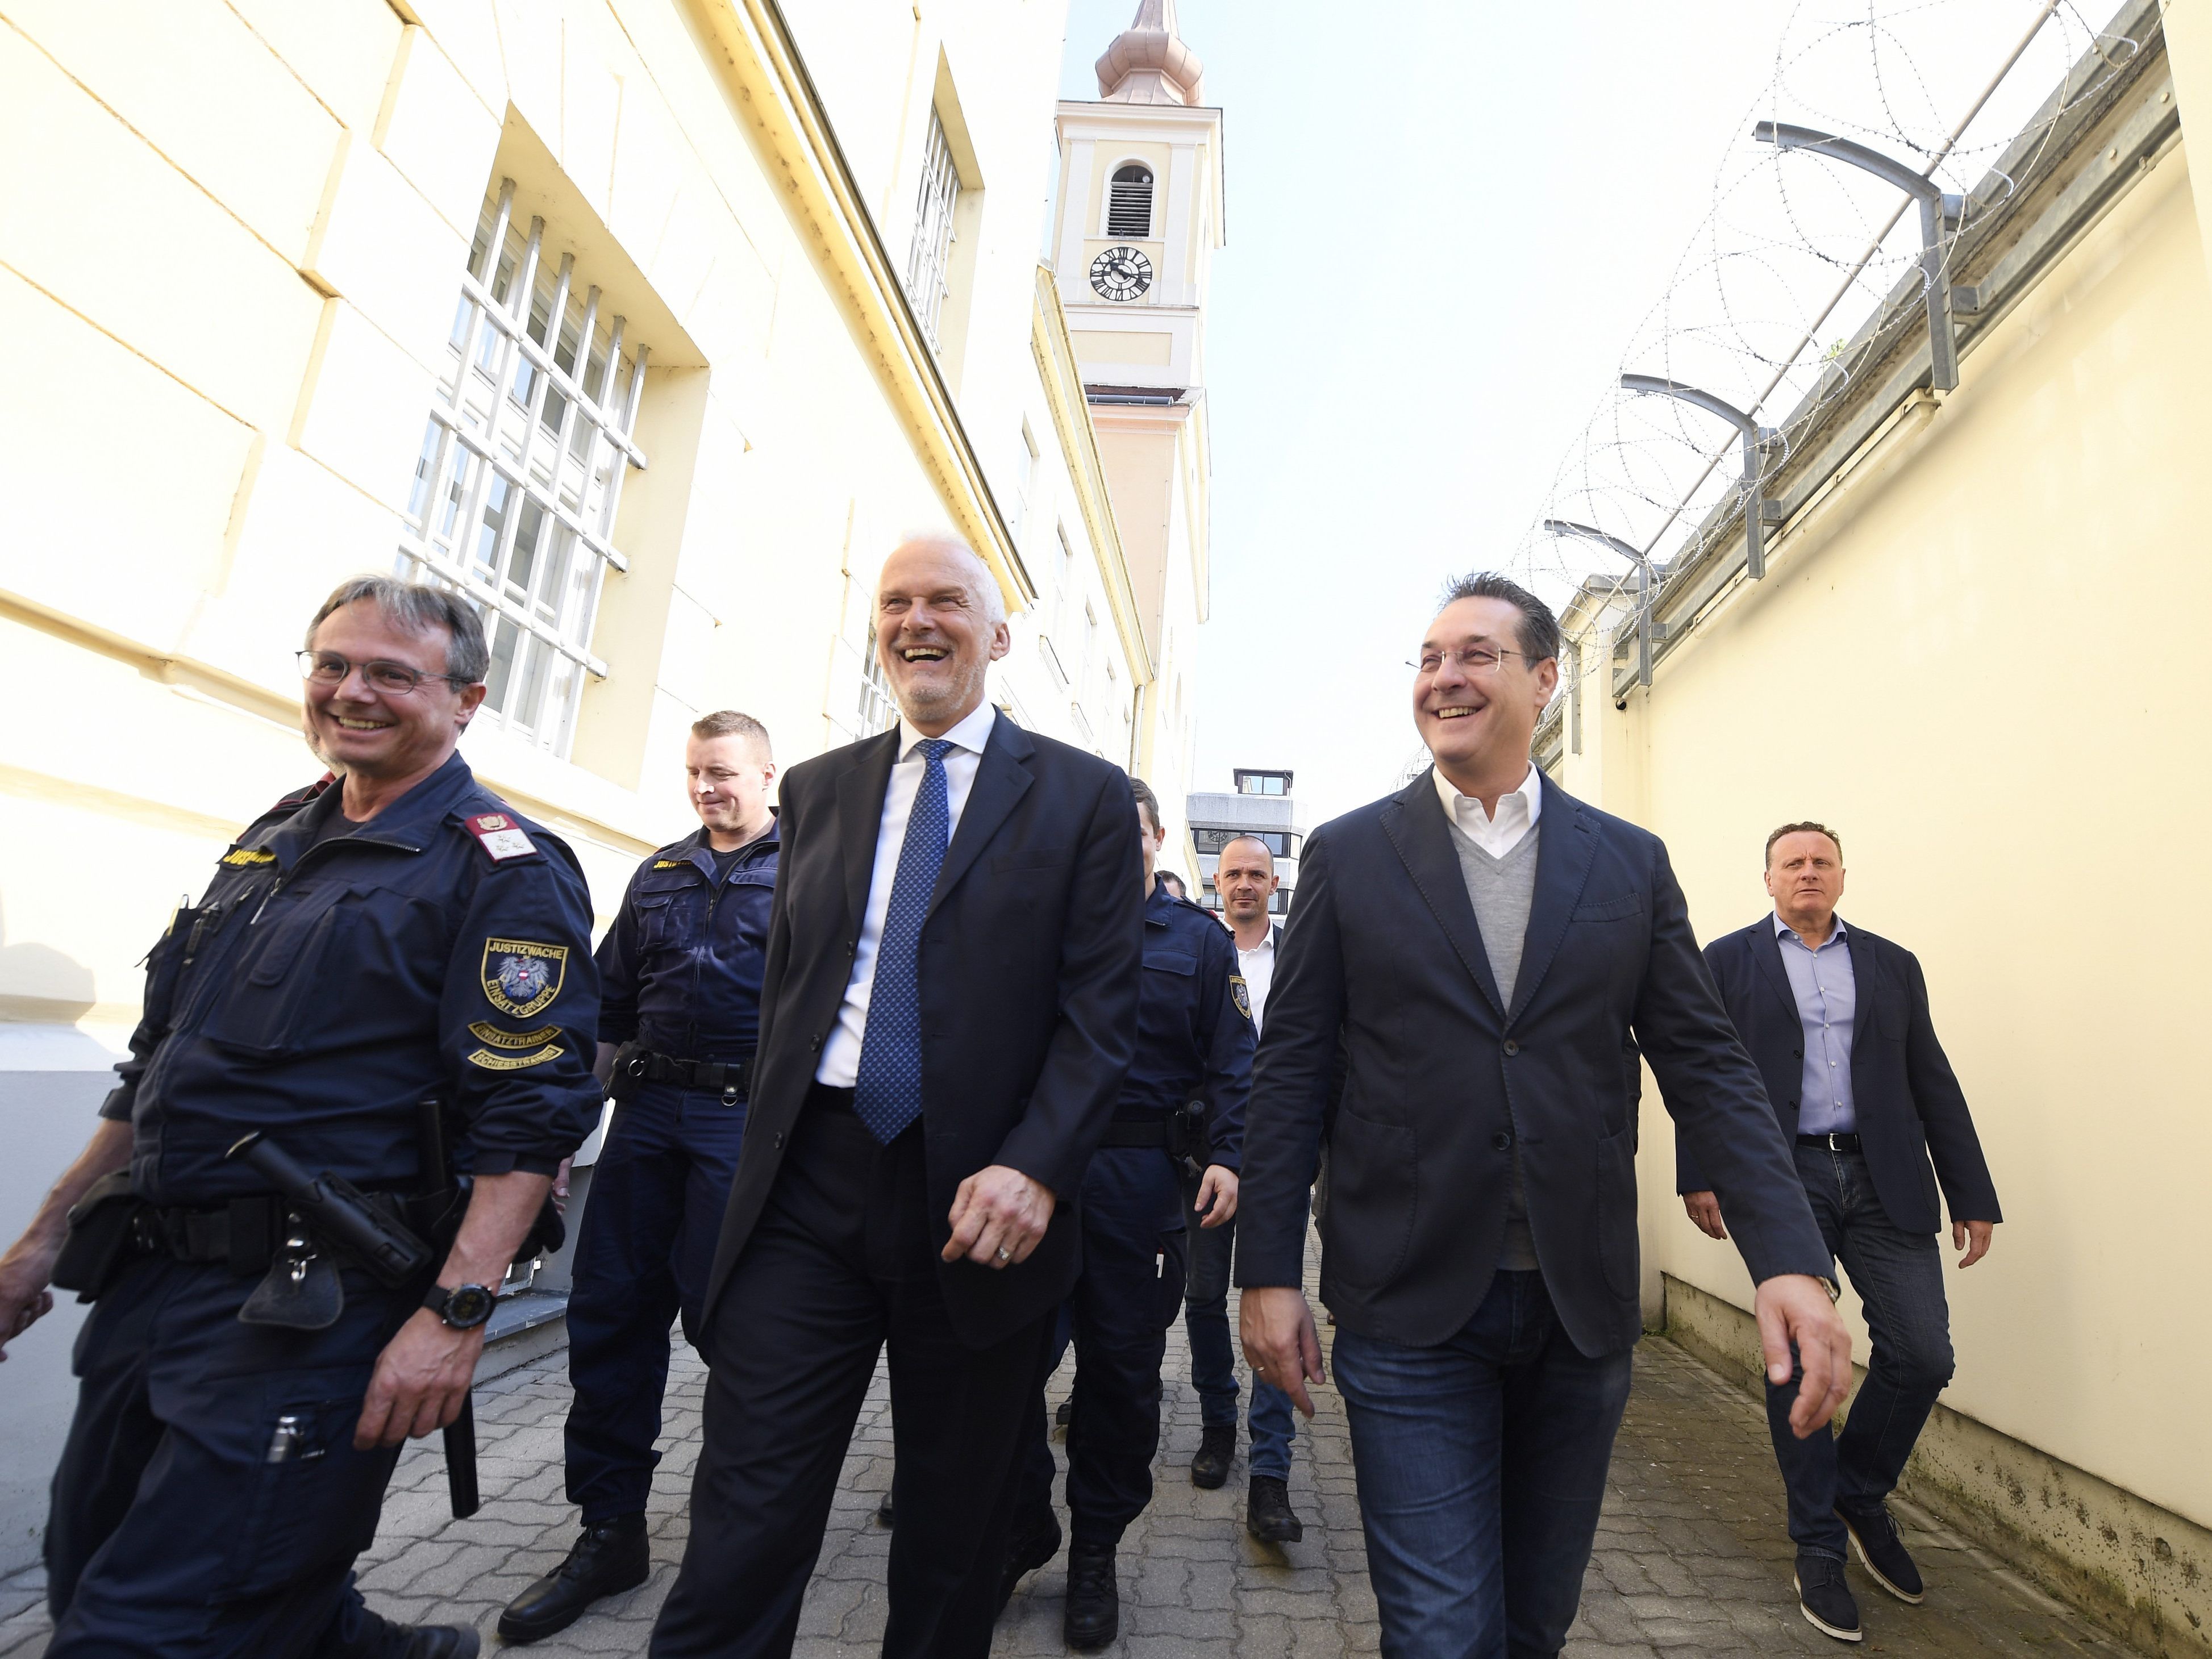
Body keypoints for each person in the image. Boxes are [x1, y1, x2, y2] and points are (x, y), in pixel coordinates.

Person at [1236, 572, 1852, 1659]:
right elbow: (1290, 1073)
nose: (1443, 677)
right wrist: (1268, 1273)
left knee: (1533, 1624)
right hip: (1408, 1300)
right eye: (1427, 660)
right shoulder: (1349, 855)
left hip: (1578, 1311)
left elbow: (1707, 1066)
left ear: (1544, 679)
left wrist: (1787, 1259)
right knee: (1437, 1631)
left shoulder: (1626, 861)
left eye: (1473, 654)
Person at [0, 576, 602, 1659]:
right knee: (89, 1565)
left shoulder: (502, 870)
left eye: (390, 673)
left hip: (305, 1312)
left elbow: (529, 1117)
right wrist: (40, 1238)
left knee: (157, 1626)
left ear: (464, 701)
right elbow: (160, 1067)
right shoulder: (274, 836)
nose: (350, 691)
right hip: (151, 1281)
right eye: (332, 664)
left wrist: (455, 1320)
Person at [648, 534, 1145, 1659]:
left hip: (981, 1196)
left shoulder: (1081, 798)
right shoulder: (817, 790)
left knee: (950, 1537)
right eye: (894, 603)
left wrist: (1037, 1164)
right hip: (809, 1189)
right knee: (741, 1515)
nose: (916, 622)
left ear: (998, 634)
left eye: (944, 603)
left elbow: (1098, 1015)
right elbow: (790, 987)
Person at [1680, 822, 2001, 1644]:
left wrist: (1971, 1190)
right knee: (1804, 1356)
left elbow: (1930, 1073)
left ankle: (1856, 1491)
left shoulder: (1893, 965)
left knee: (1923, 1351)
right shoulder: (1726, 960)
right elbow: (1699, 1069)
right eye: (1793, 863)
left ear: (1843, 877)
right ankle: (1817, 1544)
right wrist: (1699, 1170)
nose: (1808, 873)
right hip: (1779, 1177)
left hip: (1883, 1173)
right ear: (1768, 880)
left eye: (1822, 862)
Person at [499, 711, 782, 1643]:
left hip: (742, 1127)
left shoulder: (808, 876)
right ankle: (609, 1530)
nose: (709, 786)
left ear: (766, 776)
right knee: (610, 1318)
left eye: (725, 771)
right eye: (697, 771)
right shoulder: (657, 875)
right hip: (645, 1120)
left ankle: (737, 1544)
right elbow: (607, 1014)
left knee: (735, 1331)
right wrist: (555, 1148)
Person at [1001, 778, 1252, 1649]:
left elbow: (1235, 1063)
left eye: (1132, 833)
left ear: (1155, 841)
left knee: (1119, 1377)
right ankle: (1023, 1522)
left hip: (1140, 1182)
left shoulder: (1198, 942)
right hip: (1041, 1172)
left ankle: (1095, 1551)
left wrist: (1227, 1155)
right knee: (1004, 1360)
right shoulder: (1044, 924)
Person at [1183, 834, 1303, 1541]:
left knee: (1275, 1306)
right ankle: (1216, 1422)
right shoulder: (1197, 949)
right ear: (1217, 881)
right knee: (1201, 1298)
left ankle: (1270, 1473)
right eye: (1233, 874)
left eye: (1257, 873)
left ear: (1274, 881)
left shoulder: (1297, 954)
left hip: (1278, 1163)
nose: (1245, 884)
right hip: (1204, 1162)